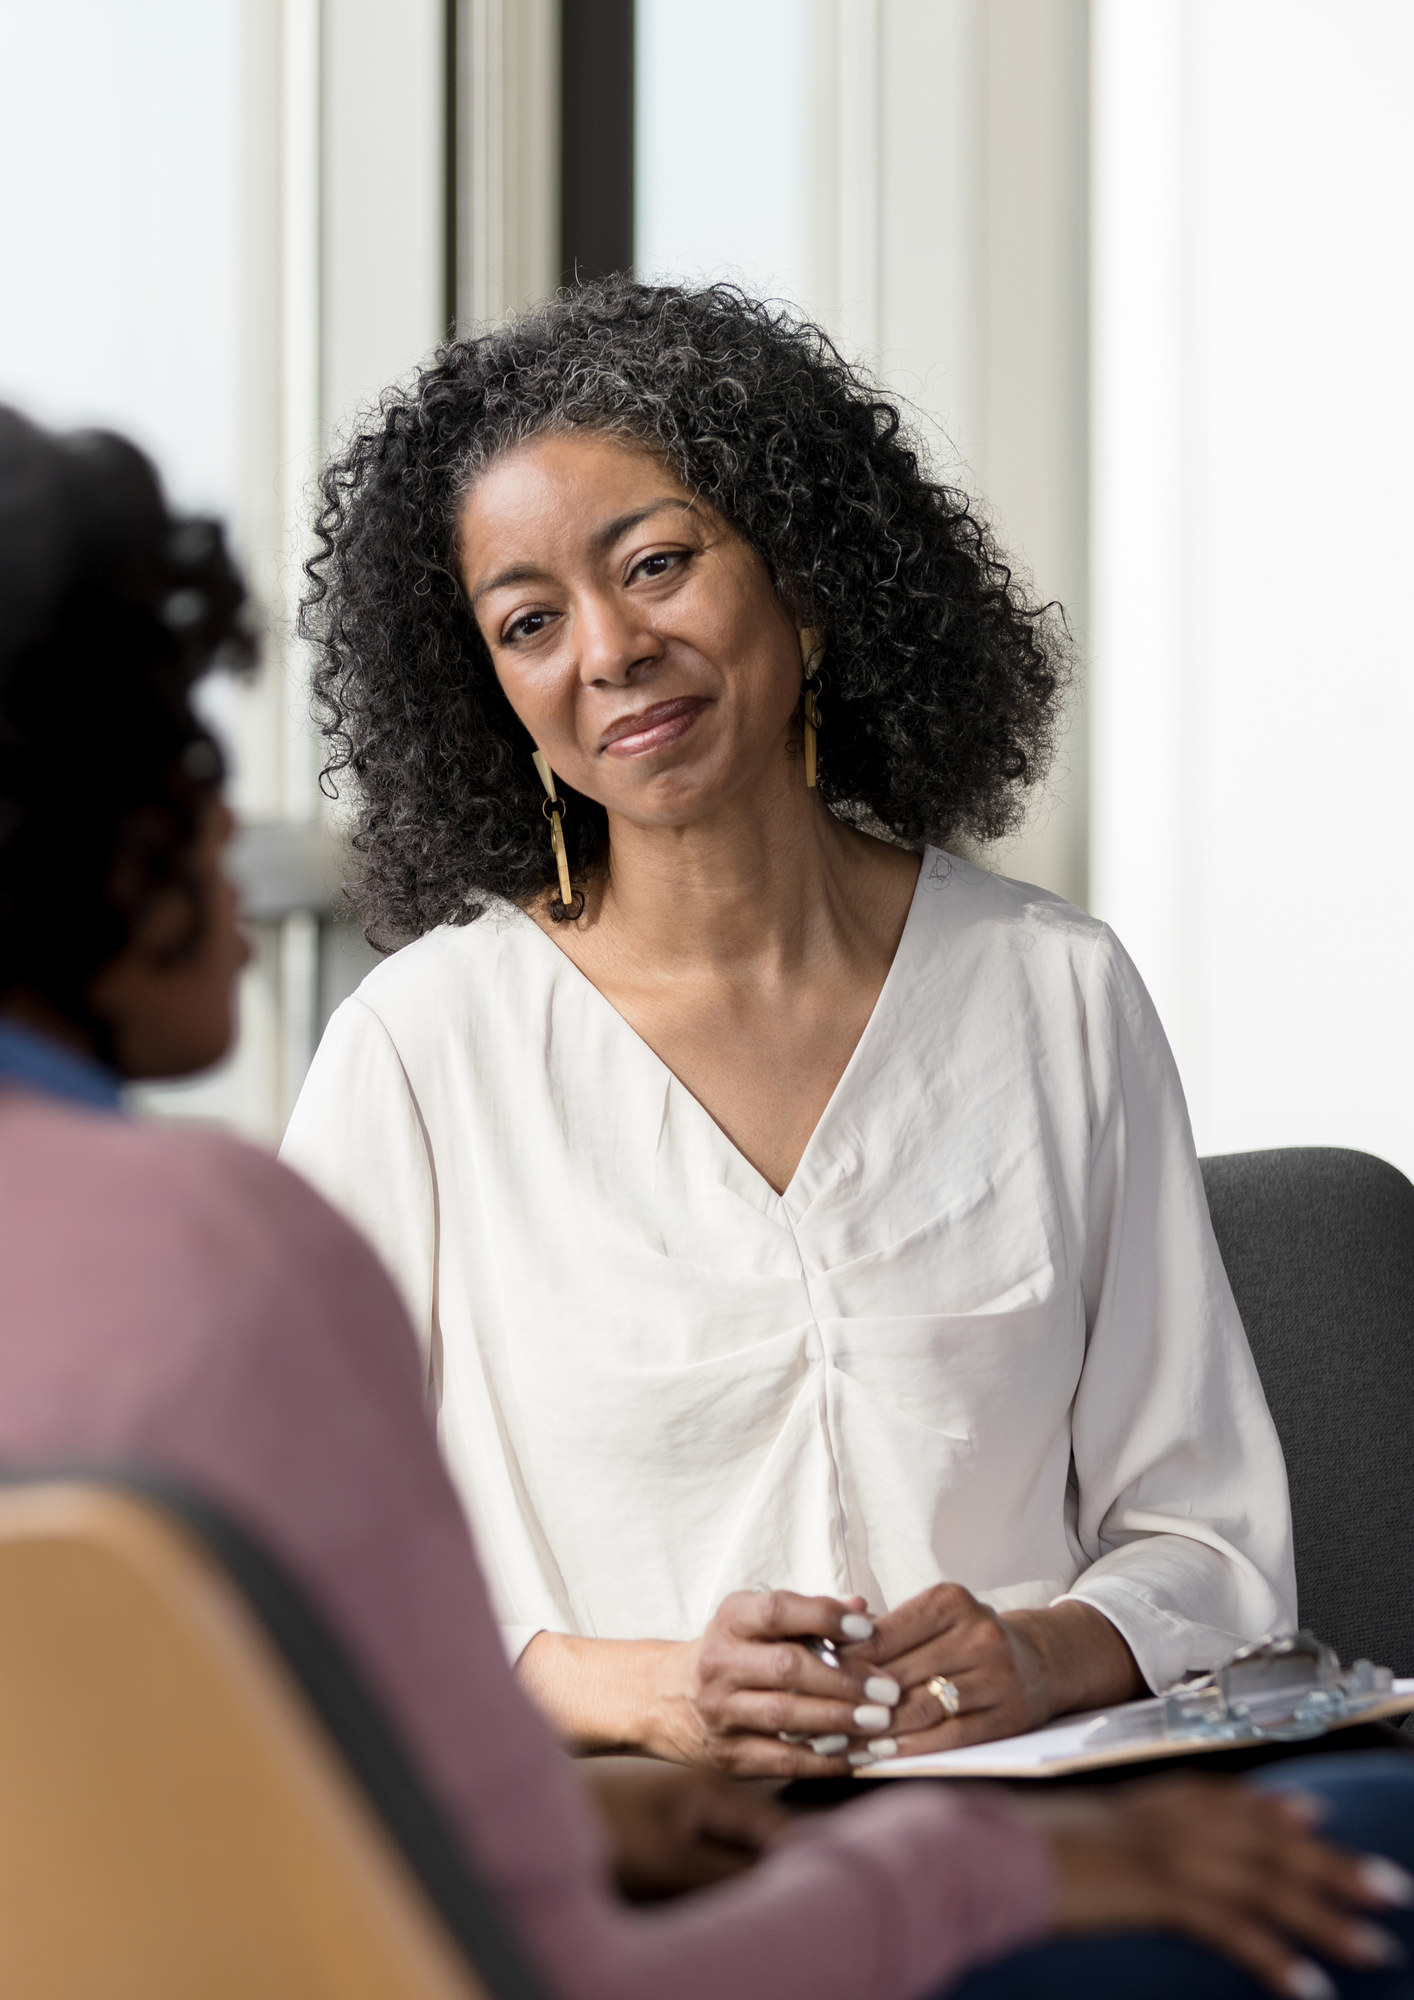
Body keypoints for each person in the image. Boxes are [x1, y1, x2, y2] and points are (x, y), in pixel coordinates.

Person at [0, 381, 1414, 2000]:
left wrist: (646, 1792)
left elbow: (261, 1764)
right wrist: (1010, 1876)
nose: (241, 843)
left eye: (654, 565)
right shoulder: (209, 1247)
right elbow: (514, 1949)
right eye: (170, 757)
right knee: (1391, 1859)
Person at [284, 281, 1293, 1776]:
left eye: (661, 563)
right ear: (488, 691)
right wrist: (647, 1693)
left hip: (1042, 1816)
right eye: (530, 621)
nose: (612, 649)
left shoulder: (1056, 996)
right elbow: (298, 1576)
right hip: (649, 1852)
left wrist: (1041, 1652)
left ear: (807, 585)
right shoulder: (421, 1055)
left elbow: (1207, 1539)